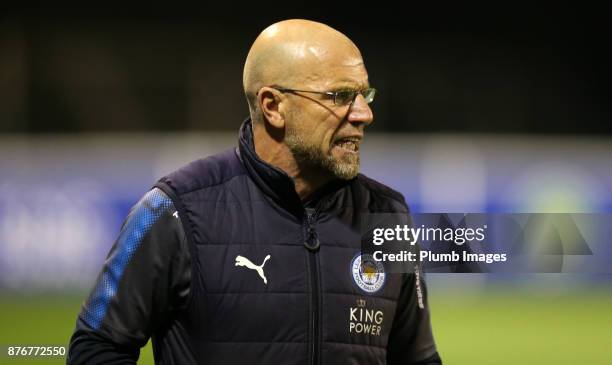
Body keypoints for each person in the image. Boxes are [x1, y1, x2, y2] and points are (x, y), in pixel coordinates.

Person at [68, 19, 442, 365]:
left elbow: (418, 359)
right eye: (340, 96)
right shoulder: (175, 210)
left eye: (364, 94)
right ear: (273, 106)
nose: (363, 114)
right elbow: (96, 347)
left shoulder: (388, 213)